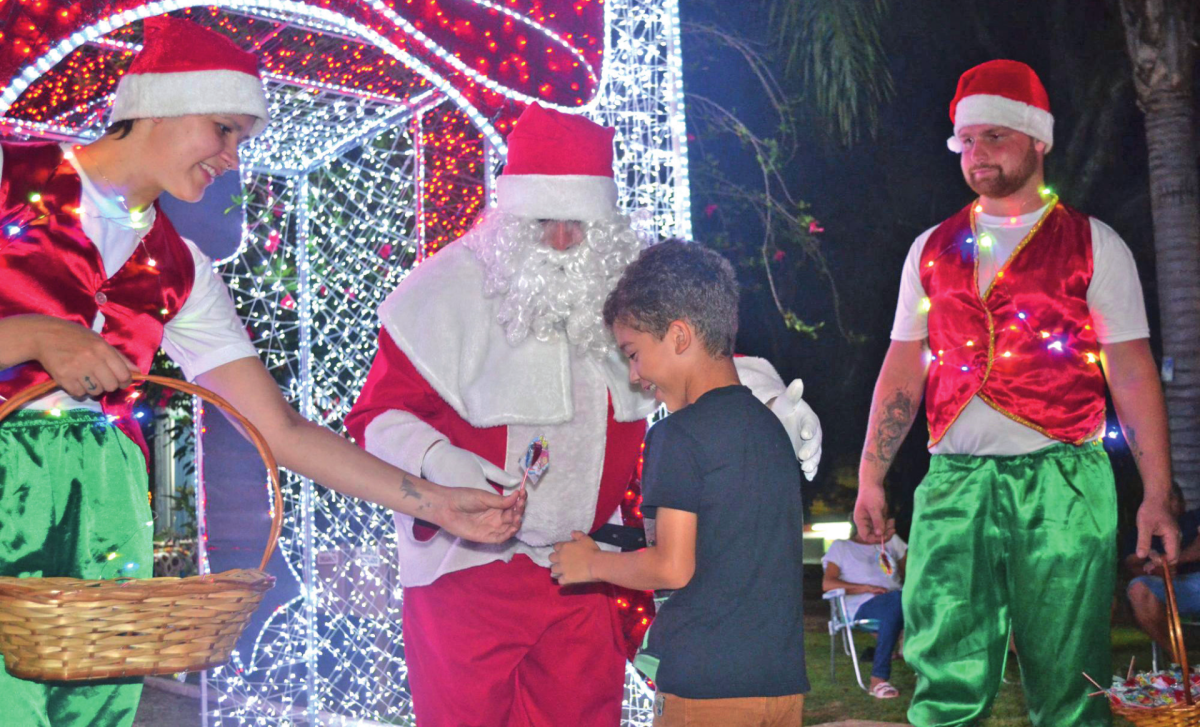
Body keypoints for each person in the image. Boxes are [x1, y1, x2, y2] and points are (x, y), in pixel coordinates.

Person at [0, 16, 522, 727]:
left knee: (83, 709)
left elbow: (280, 430)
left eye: (243, 139)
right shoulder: (11, 178)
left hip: (103, 513)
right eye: (224, 129)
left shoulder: (182, 269)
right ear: (160, 102)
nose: (232, 159)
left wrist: (431, 501)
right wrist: (34, 334)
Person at [344, 103, 822, 727]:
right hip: (467, 570)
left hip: (581, 568)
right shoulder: (441, 292)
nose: (564, 241)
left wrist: (768, 400)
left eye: (578, 223)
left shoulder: (631, 296)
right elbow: (377, 416)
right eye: (546, 220)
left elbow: (700, 356)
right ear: (514, 214)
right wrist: (442, 465)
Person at [852, 59, 1179, 727]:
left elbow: (1133, 371)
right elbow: (903, 366)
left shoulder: (1094, 244)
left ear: (1038, 139)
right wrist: (870, 475)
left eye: (996, 137)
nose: (978, 154)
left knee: (1070, 680)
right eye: (967, 141)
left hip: (1065, 483)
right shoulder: (930, 250)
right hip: (953, 482)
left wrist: (1156, 491)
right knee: (944, 673)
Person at [550, 239, 808, 727]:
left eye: (634, 353)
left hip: (706, 692)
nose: (635, 375)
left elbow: (672, 567)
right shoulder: (769, 429)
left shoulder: (677, 434)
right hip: (780, 687)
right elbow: (724, 541)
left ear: (680, 336)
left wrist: (591, 564)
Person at [821, 521, 906, 699]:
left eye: (882, 516)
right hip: (864, 605)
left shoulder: (892, 542)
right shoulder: (841, 547)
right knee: (896, 601)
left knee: (909, 598)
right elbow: (828, 584)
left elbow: (912, 574)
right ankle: (878, 680)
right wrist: (866, 588)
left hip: (897, 601)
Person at [1126, 483, 1200, 655]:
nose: (1167, 503)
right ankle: (1179, 659)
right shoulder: (1140, 531)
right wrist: (1155, 569)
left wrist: (1172, 561)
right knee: (1137, 588)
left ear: (1182, 502)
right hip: (1169, 587)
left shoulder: (1195, 518)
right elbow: (1132, 564)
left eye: (1171, 498)